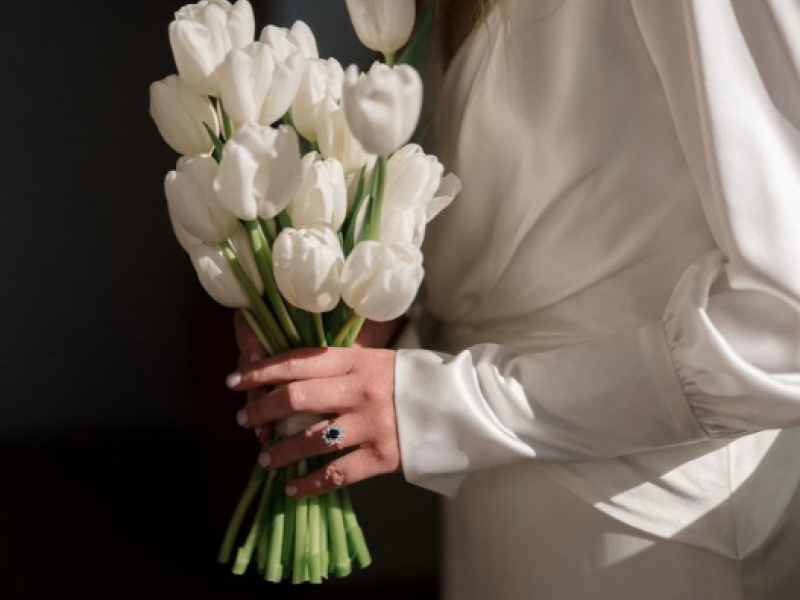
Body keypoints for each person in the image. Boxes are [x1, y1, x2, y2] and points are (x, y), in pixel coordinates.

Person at [226, 0, 800, 597]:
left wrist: (443, 407)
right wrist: (367, 308)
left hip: (645, 524)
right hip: (503, 484)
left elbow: (785, 330)